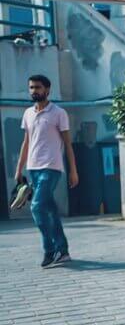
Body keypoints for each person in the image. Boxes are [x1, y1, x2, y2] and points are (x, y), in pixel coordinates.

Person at [12, 74, 78, 268]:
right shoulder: (28, 113)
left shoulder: (59, 113)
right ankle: (63, 251)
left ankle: (49, 250)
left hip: (52, 168)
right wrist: (19, 168)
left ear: (47, 90)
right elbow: (26, 142)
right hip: (33, 168)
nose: (34, 91)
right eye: (31, 87)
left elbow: (67, 143)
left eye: (38, 87)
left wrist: (73, 171)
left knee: (37, 207)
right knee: (50, 211)